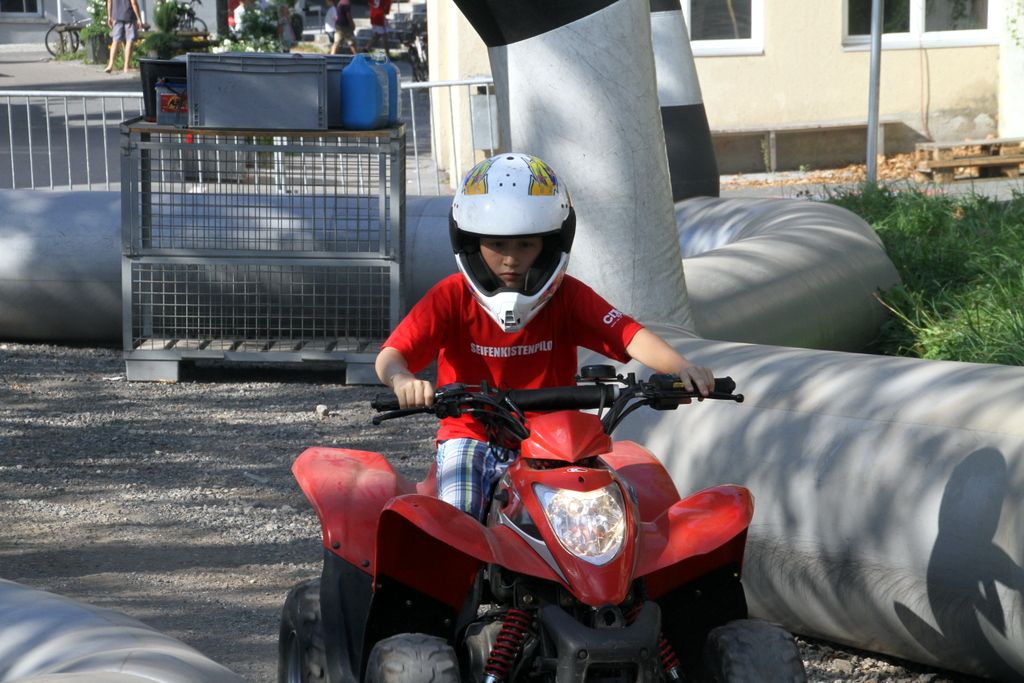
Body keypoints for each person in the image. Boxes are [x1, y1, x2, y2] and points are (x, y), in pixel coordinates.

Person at [375, 153, 715, 521]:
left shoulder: (567, 295)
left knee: (610, 514)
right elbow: (392, 355)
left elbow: (628, 334)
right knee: (459, 522)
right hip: (470, 436)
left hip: (555, 441)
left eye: (526, 245)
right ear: (471, 243)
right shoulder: (451, 296)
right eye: (497, 245)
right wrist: (402, 379)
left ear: (549, 245)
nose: (510, 259)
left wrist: (681, 367)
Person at [104, 0, 141, 74]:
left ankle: (110, 65)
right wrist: (138, 18)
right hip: (129, 16)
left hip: (116, 16)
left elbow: (109, 2)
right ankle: (126, 67)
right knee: (129, 40)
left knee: (115, 41)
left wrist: (109, 16)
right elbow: (133, 2)